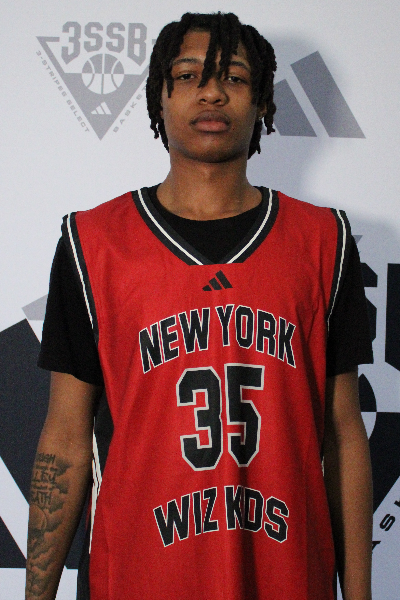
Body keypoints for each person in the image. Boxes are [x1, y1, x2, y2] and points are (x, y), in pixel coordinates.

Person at [25, 11, 373, 600]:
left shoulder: (323, 241)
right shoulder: (94, 242)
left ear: (263, 102)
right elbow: (65, 435)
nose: (211, 92)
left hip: (285, 575)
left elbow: (342, 433)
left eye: (234, 78)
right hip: (139, 577)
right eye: (187, 76)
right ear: (158, 99)